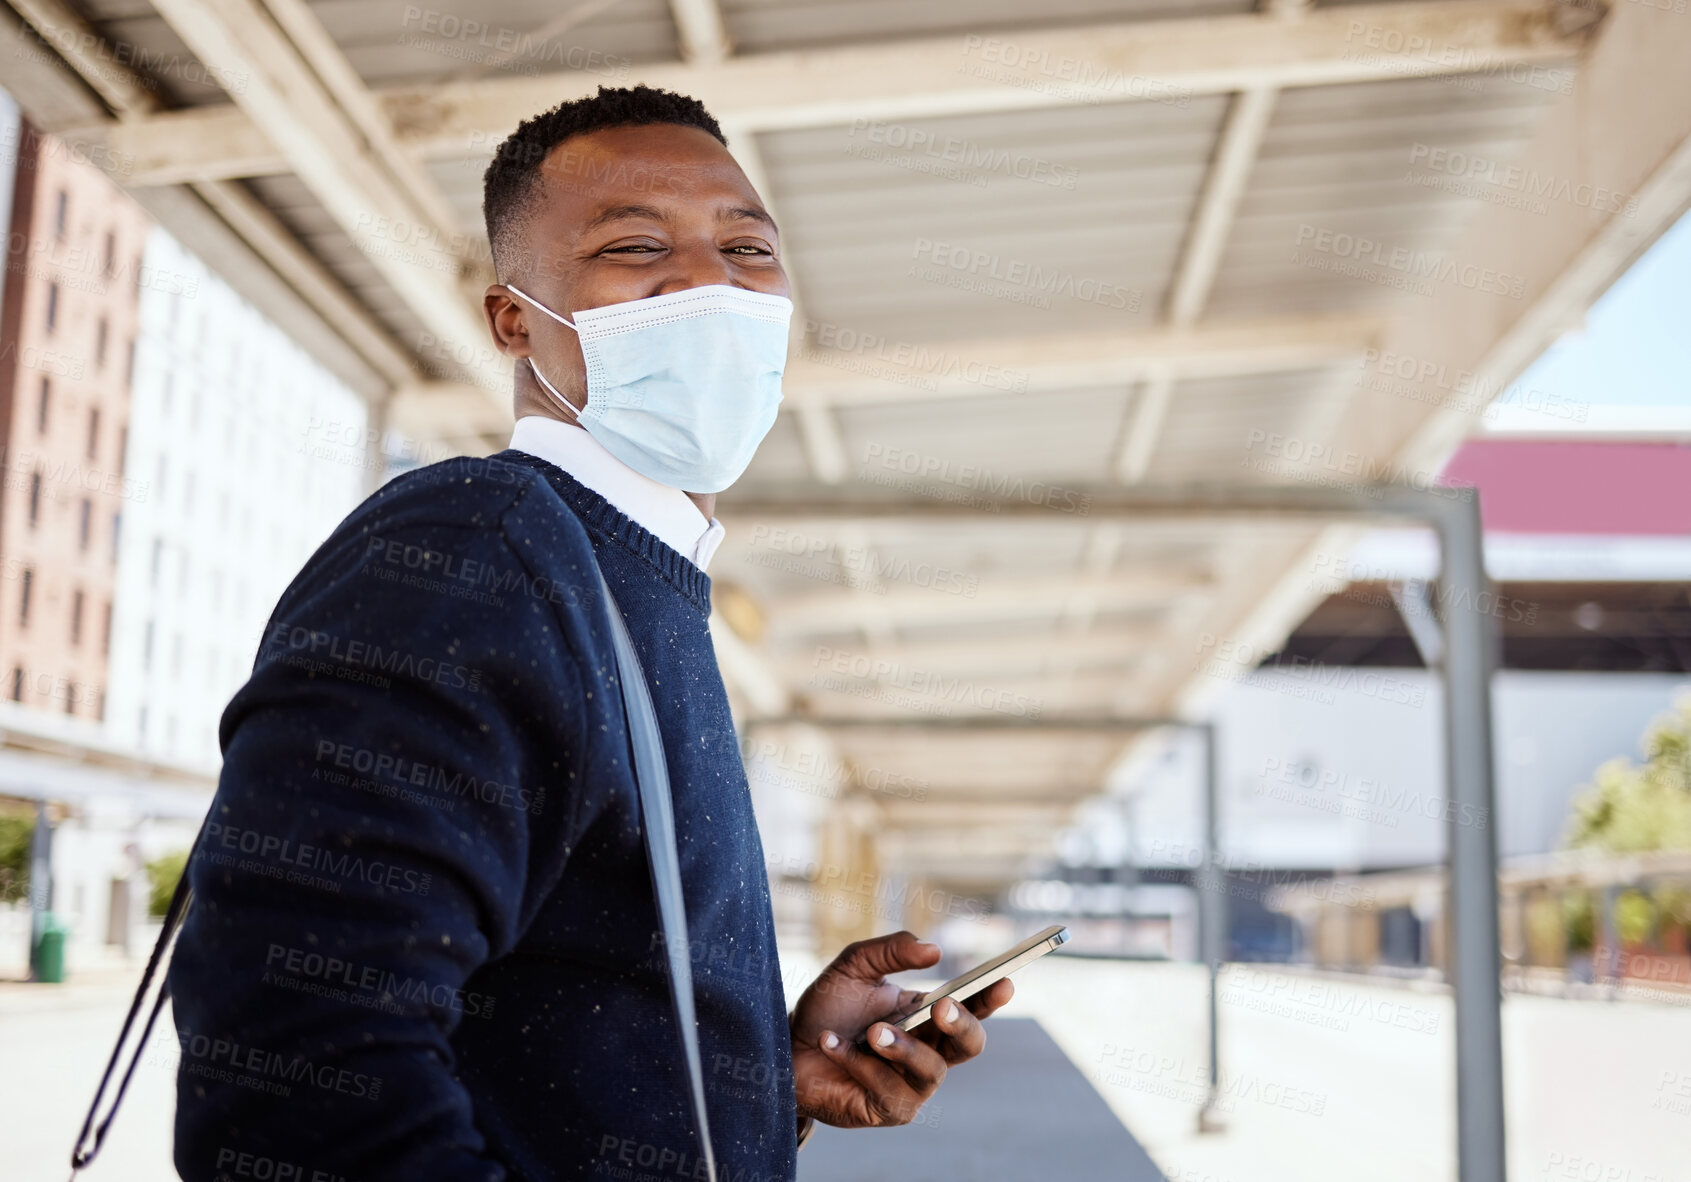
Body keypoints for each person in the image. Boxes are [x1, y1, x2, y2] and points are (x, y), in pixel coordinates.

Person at [166, 84, 1013, 1182]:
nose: (709, 281)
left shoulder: (638, 583)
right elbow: (290, 1078)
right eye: (635, 247)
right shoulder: (482, 552)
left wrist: (749, 1079)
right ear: (514, 318)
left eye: (748, 249)